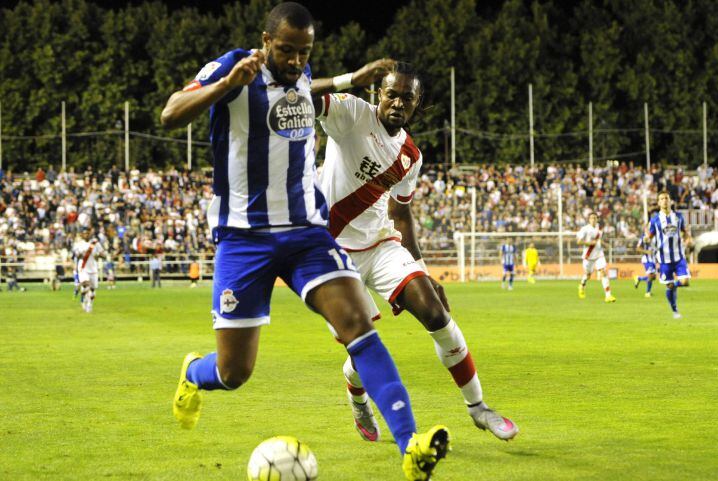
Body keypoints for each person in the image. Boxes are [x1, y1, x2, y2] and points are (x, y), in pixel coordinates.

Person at [160, 4, 447, 479]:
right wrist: (226, 86)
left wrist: (347, 78)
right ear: (266, 41)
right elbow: (171, 113)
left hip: (306, 232)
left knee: (358, 324)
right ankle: (194, 373)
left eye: (304, 53)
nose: (295, 61)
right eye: (287, 51)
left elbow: (300, 90)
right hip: (244, 237)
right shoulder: (234, 66)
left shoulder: (299, 73)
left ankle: (410, 446)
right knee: (234, 373)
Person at [318, 62, 517, 443]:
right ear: (379, 93)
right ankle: (357, 394)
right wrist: (349, 80)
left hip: (380, 244)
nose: (397, 102)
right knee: (364, 344)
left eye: (406, 97)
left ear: (416, 103)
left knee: (436, 313)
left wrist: (422, 270)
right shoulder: (351, 113)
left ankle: (479, 408)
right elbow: (301, 96)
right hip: (331, 253)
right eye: (391, 93)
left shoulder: (410, 155)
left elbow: (401, 214)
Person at [646, 191, 692, 319]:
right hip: (664, 260)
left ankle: (675, 285)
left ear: (670, 200)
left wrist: (688, 239)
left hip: (678, 257)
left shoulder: (678, 217)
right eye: (662, 199)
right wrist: (646, 239)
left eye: (666, 198)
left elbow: (684, 231)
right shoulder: (655, 219)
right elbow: (649, 235)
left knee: (685, 281)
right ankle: (674, 309)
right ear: (659, 202)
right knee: (670, 286)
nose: (665, 200)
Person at [576, 213, 616, 302]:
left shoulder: (599, 229)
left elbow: (598, 241)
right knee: (588, 275)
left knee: (603, 271)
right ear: (589, 220)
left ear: (597, 219)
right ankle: (582, 285)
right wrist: (589, 243)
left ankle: (608, 296)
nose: (593, 219)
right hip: (588, 256)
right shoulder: (585, 229)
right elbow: (578, 241)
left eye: (595, 218)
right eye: (591, 218)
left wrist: (605, 245)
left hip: (599, 254)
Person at [72, 231, 104, 313]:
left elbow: (102, 254)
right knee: (87, 284)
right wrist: (80, 255)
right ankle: (85, 301)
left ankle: (89, 303)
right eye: (84, 233)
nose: (86, 235)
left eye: (87, 233)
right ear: (82, 235)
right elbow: (76, 255)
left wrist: (98, 255)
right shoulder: (79, 244)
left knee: (92, 290)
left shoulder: (95, 243)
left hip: (93, 269)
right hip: (83, 268)